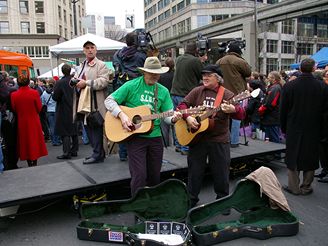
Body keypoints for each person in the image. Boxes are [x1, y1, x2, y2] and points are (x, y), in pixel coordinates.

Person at [104, 56, 182, 195]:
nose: (155, 76)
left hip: (155, 137)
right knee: (139, 176)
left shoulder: (163, 91)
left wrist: (174, 119)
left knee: (154, 176)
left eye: (157, 73)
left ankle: (151, 206)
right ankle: (138, 209)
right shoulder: (131, 85)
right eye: (152, 73)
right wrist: (122, 116)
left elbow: (168, 116)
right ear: (144, 72)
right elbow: (109, 101)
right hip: (136, 139)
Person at [177, 64, 245, 208]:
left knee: (221, 172)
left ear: (218, 78)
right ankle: (191, 200)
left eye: (209, 75)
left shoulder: (226, 94)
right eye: (203, 75)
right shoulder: (197, 91)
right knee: (194, 171)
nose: (205, 77)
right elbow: (182, 106)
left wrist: (233, 109)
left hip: (219, 139)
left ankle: (222, 202)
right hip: (197, 139)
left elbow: (241, 114)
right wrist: (188, 118)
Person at [280, 58, 328, 195]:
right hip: (313, 127)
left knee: (293, 156)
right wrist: (323, 131)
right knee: (310, 156)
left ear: (300, 69)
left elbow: (283, 109)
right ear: (314, 69)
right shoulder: (322, 86)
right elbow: (325, 112)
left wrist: (283, 127)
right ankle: (306, 186)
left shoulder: (290, 86)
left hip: (294, 126)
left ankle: (293, 187)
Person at [74, 40, 110, 164]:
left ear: (96, 49)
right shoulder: (82, 65)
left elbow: (104, 81)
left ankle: (98, 154)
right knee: (88, 128)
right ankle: (96, 153)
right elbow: (78, 80)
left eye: (92, 47)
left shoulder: (101, 65)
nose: (90, 50)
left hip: (95, 103)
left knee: (96, 128)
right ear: (84, 50)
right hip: (84, 102)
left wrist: (87, 83)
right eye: (87, 48)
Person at [112, 31, 147, 161]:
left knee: (124, 120)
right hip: (137, 90)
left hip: (121, 90)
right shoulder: (140, 55)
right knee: (137, 119)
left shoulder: (117, 54)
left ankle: (123, 154)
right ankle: (136, 151)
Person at [216, 41, 251, 148]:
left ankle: (225, 139)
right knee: (236, 116)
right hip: (237, 93)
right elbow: (248, 73)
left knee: (224, 117)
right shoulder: (239, 61)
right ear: (238, 51)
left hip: (222, 93)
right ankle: (234, 141)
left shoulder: (219, 61)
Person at [170, 41, 204, 155]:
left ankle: (178, 145)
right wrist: (202, 61)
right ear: (196, 51)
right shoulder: (195, 61)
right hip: (185, 95)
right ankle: (185, 147)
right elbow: (203, 75)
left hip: (174, 93)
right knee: (186, 120)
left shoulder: (179, 59)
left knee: (177, 120)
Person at [11, 75, 48, 167]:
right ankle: (34, 161)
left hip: (22, 121)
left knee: (25, 141)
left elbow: (14, 109)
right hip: (33, 120)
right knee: (34, 140)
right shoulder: (34, 93)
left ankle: (29, 161)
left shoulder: (14, 95)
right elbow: (39, 108)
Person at [53, 64, 79, 159]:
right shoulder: (75, 81)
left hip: (64, 108)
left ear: (62, 71)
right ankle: (74, 150)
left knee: (65, 132)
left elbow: (55, 97)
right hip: (75, 107)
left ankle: (66, 152)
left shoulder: (60, 82)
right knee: (74, 129)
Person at [0, 71, 18, 170]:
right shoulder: (10, 90)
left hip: (6, 114)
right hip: (6, 116)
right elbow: (5, 95)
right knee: (8, 141)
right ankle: (8, 164)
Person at [258, 71, 282, 143]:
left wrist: (262, 109)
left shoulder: (275, 88)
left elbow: (270, 103)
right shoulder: (275, 87)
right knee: (271, 136)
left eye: (268, 78)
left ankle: (276, 153)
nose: (267, 79)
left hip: (272, 117)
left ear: (273, 78)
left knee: (273, 136)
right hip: (272, 116)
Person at [158, 57, 175, 147]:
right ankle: (176, 143)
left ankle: (166, 143)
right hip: (172, 96)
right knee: (174, 120)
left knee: (164, 124)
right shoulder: (175, 75)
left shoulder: (161, 76)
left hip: (163, 98)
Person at [40, 78, 61, 146]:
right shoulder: (56, 91)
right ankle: (57, 140)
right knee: (57, 126)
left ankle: (53, 141)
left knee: (51, 126)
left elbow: (42, 102)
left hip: (49, 110)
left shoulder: (44, 92)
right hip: (56, 110)